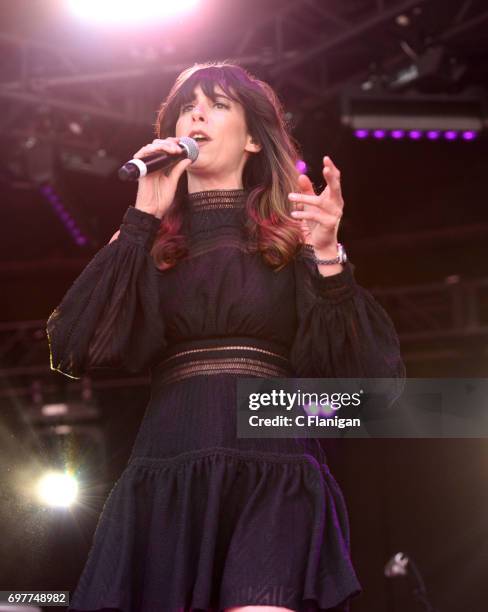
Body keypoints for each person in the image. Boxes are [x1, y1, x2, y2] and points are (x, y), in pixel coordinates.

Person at [46, 61, 405, 612]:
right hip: (171, 459)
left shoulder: (296, 236)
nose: (196, 113)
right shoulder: (144, 240)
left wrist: (329, 255)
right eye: (187, 106)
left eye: (216, 105)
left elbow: (373, 385)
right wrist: (142, 218)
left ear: (255, 141)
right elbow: (74, 345)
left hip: (272, 458)